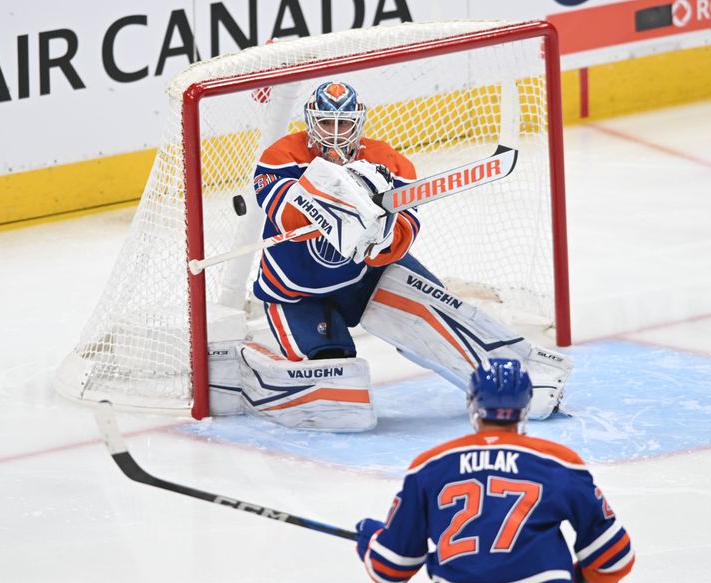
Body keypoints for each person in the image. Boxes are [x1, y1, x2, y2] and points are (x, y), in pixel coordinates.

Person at [237, 81, 572, 432]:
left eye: (344, 124)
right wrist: (344, 197)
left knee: (439, 313)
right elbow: (286, 213)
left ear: (358, 122)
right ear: (311, 122)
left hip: (364, 277)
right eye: (326, 124)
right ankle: (258, 370)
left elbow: (405, 232)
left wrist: (379, 237)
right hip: (296, 293)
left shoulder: (386, 162)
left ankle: (521, 376)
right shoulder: (280, 157)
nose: (335, 134)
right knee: (335, 381)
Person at [355, 358, 635, 583]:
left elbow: (390, 570)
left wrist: (373, 538)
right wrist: (584, 580)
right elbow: (613, 560)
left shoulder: (429, 467)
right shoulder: (559, 462)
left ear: (473, 404)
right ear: (525, 406)